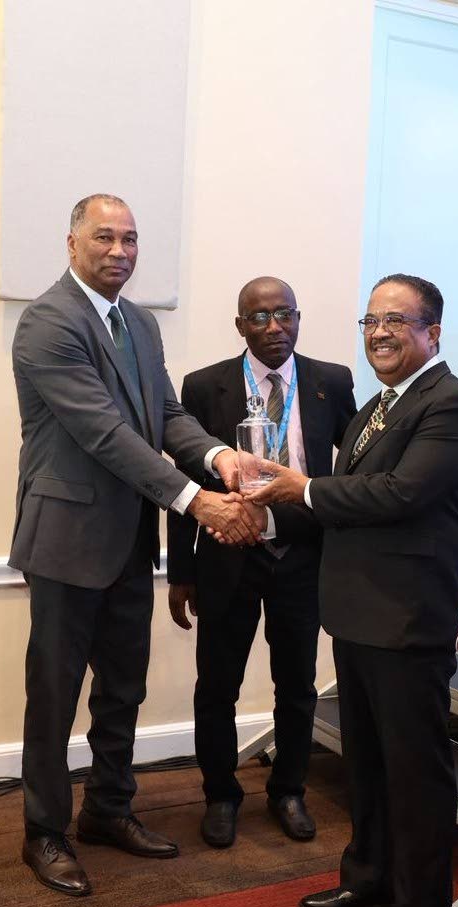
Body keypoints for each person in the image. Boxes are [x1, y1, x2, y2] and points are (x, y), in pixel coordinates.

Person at [10, 194, 259, 897]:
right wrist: (192, 498)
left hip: (127, 543)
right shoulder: (48, 322)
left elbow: (164, 417)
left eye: (130, 239)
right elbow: (104, 434)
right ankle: (45, 831)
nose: (119, 250)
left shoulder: (141, 324)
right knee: (55, 696)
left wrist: (216, 459)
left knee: (124, 686)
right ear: (71, 244)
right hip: (65, 540)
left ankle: (108, 810)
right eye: (104, 237)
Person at [244, 273, 458, 907]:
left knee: (414, 772)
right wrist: (257, 502)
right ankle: (371, 875)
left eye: (396, 321)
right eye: (370, 320)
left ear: (431, 334)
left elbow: (398, 494)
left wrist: (301, 487)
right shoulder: (379, 405)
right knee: (369, 763)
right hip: (356, 610)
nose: (379, 332)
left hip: (408, 615)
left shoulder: (451, 404)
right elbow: (341, 504)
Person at [166, 276, 357, 848]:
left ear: (298, 318)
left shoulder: (331, 381)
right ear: (240, 325)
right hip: (229, 557)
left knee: (296, 682)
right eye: (260, 317)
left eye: (285, 315)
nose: (275, 328)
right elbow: (185, 481)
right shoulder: (205, 387)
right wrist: (181, 571)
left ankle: (288, 789)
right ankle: (220, 794)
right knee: (217, 684)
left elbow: (349, 471)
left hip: (301, 554)